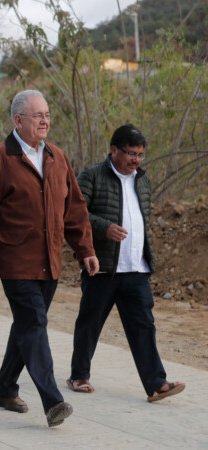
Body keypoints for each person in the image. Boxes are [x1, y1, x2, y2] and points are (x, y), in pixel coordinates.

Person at [0, 89, 99, 427]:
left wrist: (85, 249)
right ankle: (53, 400)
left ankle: (3, 387)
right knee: (35, 325)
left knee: (27, 327)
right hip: (16, 261)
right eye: (37, 115)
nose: (45, 121)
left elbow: (74, 209)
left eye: (47, 115)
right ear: (18, 120)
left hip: (50, 261)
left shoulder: (57, 156)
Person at [67, 124, 185, 402]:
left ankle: (157, 384)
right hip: (103, 268)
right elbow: (74, 213)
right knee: (90, 322)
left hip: (136, 269)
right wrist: (104, 226)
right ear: (114, 150)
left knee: (144, 325)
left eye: (140, 155)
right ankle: (79, 375)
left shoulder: (142, 180)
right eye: (131, 153)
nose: (136, 160)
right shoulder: (92, 175)